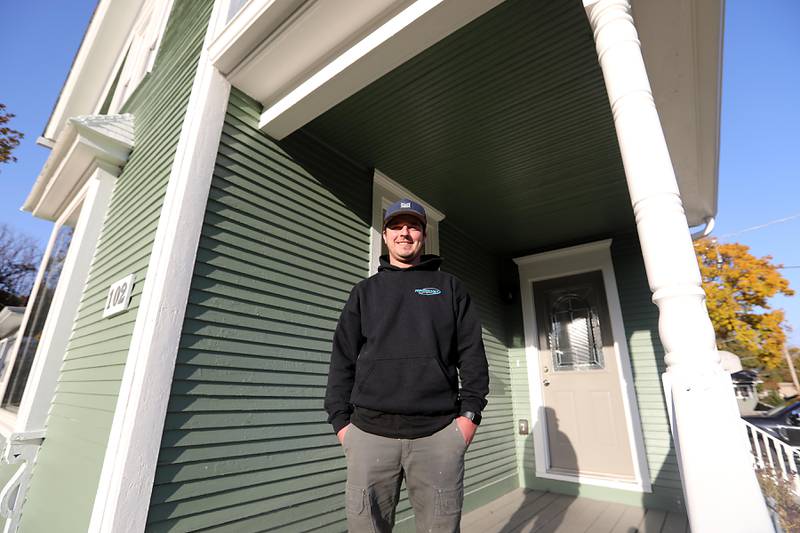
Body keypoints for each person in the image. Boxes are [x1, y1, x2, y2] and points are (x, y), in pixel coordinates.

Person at [324, 198, 490, 532]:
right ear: (384, 235)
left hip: (439, 436)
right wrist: (342, 424)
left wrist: (468, 418)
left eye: (412, 226)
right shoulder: (364, 293)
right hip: (369, 434)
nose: (404, 233)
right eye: (396, 226)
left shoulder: (449, 288)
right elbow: (342, 358)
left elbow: (471, 354)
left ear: (423, 235)